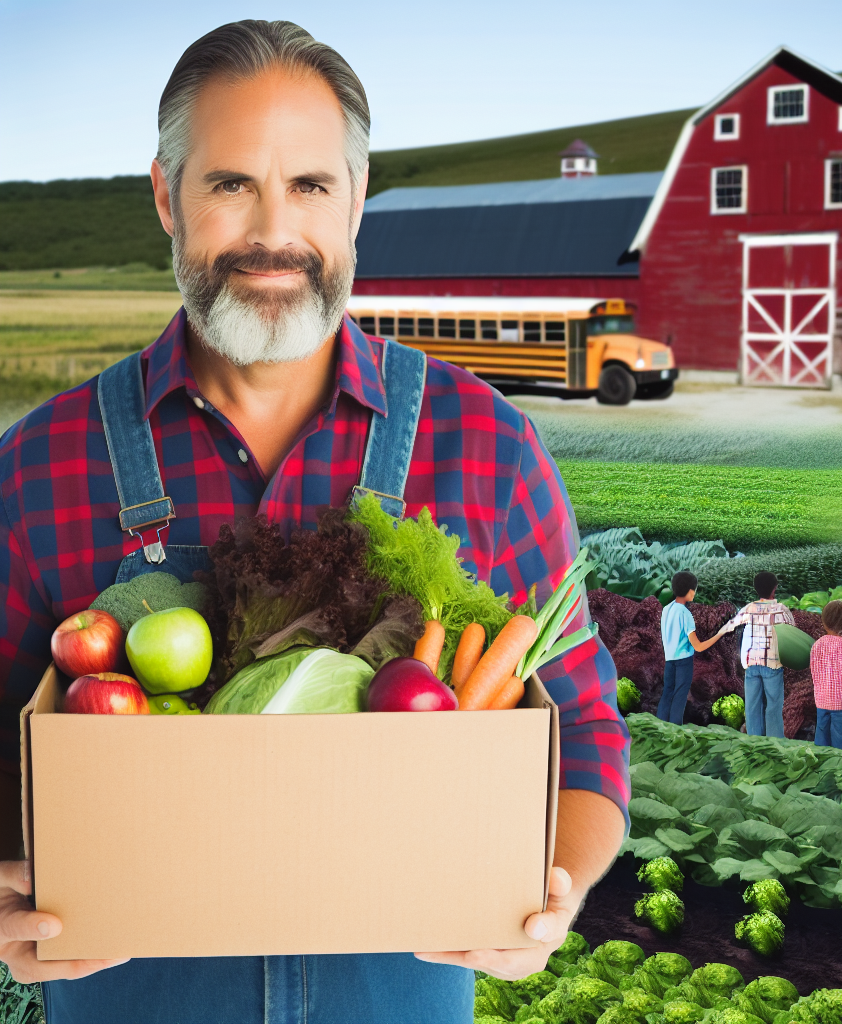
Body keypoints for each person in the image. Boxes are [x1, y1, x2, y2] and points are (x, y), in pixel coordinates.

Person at [0, 21, 631, 1024]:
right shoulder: (42, 465)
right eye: (228, 184)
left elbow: (588, 735)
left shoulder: (487, 449)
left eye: (308, 185)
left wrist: (551, 888)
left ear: (355, 199)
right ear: (166, 196)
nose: (271, 230)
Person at [718, 571, 794, 737]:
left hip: (751, 664)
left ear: (756, 589)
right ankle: (775, 743)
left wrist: (716, 636)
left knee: (752, 706)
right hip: (773, 664)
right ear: (775, 589)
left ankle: (753, 741)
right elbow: (791, 635)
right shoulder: (782, 610)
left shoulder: (749, 608)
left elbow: (731, 624)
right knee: (773, 706)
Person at [658, 571, 726, 725]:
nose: (694, 593)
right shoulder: (685, 614)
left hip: (669, 660)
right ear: (689, 591)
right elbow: (699, 646)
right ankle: (675, 728)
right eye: (694, 590)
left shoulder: (666, 609)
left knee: (667, 693)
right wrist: (719, 634)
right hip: (683, 662)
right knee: (680, 695)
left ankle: (660, 726)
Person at [809, 601, 842, 750]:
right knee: (840, 733)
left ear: (823, 621)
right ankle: (839, 762)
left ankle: (821, 759)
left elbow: (813, 670)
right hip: (840, 700)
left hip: (821, 698)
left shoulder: (816, 644)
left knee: (822, 730)